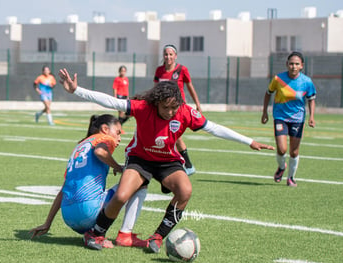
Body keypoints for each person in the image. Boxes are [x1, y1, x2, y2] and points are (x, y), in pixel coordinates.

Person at [58, 68, 274, 252]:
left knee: (185, 191)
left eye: (174, 107)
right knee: (122, 195)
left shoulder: (186, 112)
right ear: (156, 103)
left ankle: (158, 236)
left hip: (167, 161)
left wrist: (249, 141)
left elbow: (213, 128)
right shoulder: (144, 107)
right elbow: (111, 101)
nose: (170, 112)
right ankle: (95, 234)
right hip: (140, 158)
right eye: (165, 108)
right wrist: (76, 90)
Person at [29, 114, 123, 248]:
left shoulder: (79, 147)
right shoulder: (106, 138)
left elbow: (63, 190)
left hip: (69, 218)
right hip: (88, 212)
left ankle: (91, 232)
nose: (119, 138)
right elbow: (100, 152)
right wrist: (119, 168)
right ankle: (119, 235)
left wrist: (47, 223)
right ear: (105, 129)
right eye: (118, 133)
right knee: (138, 181)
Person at [261, 51, 316, 187]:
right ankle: (281, 167)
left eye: (297, 64)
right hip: (280, 117)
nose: (293, 66)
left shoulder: (307, 82)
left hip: (298, 119)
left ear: (302, 66)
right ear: (287, 64)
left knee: (294, 151)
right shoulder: (278, 79)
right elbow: (268, 94)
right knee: (281, 149)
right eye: (291, 64)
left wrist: (312, 117)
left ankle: (291, 178)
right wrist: (264, 112)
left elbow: (311, 99)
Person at [154, 44, 202, 175]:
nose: (168, 57)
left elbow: (190, 87)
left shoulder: (182, 69)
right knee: (168, 135)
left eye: (170, 54)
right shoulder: (159, 71)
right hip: (163, 109)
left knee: (174, 135)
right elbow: (156, 89)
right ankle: (183, 164)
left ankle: (186, 165)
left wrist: (197, 104)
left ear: (175, 56)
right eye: (166, 54)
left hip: (177, 109)